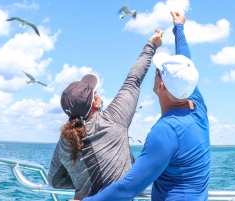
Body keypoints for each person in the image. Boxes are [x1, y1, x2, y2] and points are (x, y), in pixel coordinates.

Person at [79, 11, 210, 201]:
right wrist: (178, 26)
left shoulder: (166, 131)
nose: (155, 75)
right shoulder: (197, 106)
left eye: (158, 72)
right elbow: (185, 60)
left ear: (160, 86)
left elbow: (127, 189)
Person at [47, 30, 163, 200]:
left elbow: (54, 181)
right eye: (97, 93)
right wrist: (151, 45)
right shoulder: (113, 120)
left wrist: (83, 184)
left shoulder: (64, 141)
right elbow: (134, 80)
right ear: (95, 103)